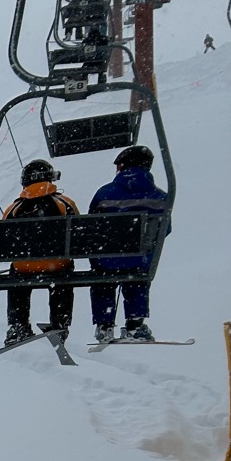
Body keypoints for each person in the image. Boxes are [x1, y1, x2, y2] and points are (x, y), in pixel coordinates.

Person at [87, 144, 170, 343]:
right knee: (137, 276)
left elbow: (89, 228)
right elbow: (164, 230)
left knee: (103, 278)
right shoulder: (160, 197)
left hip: (105, 261)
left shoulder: (104, 194)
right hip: (138, 261)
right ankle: (135, 324)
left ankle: (104, 324)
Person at [1, 159, 79, 346]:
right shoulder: (64, 203)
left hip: (24, 267)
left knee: (17, 279)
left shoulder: (13, 209)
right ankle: (60, 323)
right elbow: (78, 232)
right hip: (57, 265)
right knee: (62, 281)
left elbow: (2, 239)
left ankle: (18, 325)